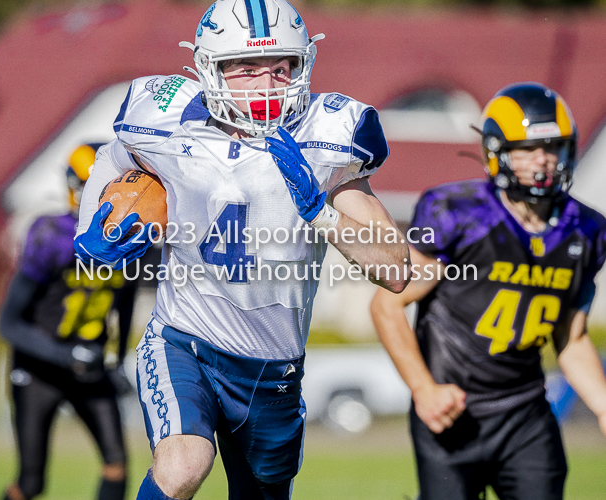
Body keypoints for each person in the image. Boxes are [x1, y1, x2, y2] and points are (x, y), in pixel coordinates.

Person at [72, 0, 410, 498]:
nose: (268, 85)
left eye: (282, 68)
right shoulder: (166, 119)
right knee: (184, 465)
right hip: (185, 339)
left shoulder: (326, 139)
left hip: (273, 368)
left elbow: (395, 269)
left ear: (303, 66)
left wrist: (322, 212)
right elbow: (113, 155)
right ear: (210, 69)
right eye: (247, 69)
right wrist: (89, 231)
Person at [370, 82, 606, 500]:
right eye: (527, 148)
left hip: (526, 412)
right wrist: (424, 389)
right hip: (453, 411)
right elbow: (387, 305)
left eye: (552, 146)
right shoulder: (461, 215)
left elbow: (572, 336)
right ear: (497, 152)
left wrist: (603, 404)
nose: (542, 160)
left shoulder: (585, 230)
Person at [0, 143, 142, 500]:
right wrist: (65, 357)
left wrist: (118, 358)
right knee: (31, 484)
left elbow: (123, 307)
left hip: (89, 364)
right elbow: (8, 323)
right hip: (40, 367)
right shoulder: (53, 235)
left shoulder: (129, 238)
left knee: (117, 465)